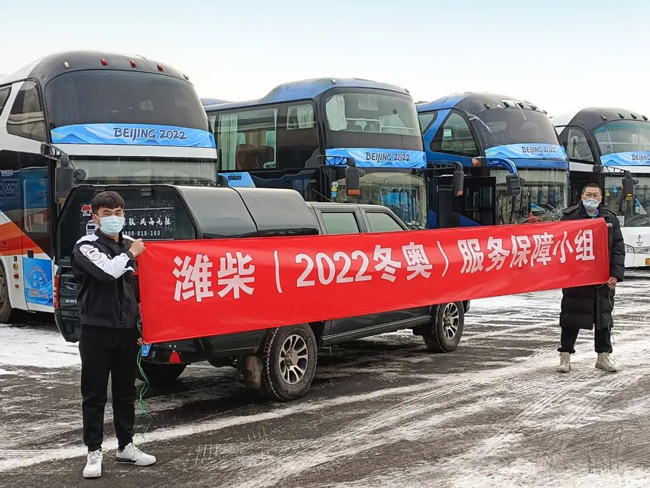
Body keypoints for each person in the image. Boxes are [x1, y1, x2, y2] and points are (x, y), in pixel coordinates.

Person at [72, 191, 156, 478]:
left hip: (126, 330)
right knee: (94, 394)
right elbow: (108, 272)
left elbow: (144, 289)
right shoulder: (86, 246)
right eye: (107, 213)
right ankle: (94, 452)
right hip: (96, 329)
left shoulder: (133, 244)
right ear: (95, 217)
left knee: (125, 391)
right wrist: (131, 254)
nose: (114, 218)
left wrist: (144, 327)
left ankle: (125, 445)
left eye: (118, 212)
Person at [557, 182, 625, 373]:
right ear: (582, 196)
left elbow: (618, 248)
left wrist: (615, 275)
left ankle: (603, 357)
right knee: (571, 317)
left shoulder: (609, 218)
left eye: (595, 195)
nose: (591, 199)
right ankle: (565, 356)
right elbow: (559, 244)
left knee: (603, 319)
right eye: (588, 195)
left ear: (601, 198)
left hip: (602, 280)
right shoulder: (569, 216)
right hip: (576, 278)